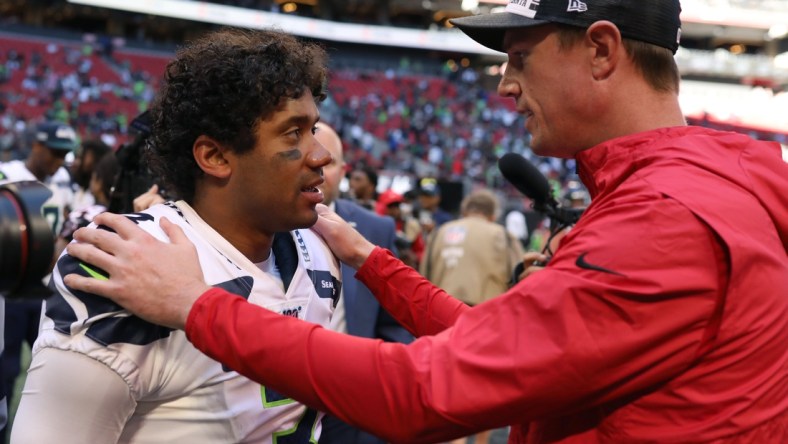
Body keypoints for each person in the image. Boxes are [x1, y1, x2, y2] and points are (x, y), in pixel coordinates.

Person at [61, 1, 788, 442]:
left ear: (600, 50)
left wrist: (196, 305)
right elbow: (497, 345)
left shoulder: (660, 221)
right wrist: (368, 258)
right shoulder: (718, 181)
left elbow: (420, 393)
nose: (504, 84)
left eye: (520, 58)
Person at [12, 28, 342, 443]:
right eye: (294, 133)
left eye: (314, 128)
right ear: (216, 156)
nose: (321, 154)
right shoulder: (125, 259)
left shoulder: (318, 249)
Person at [314, 121, 413, 444]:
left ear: (343, 171)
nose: (315, 167)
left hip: (351, 400)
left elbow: (393, 322)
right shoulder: (260, 225)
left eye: (326, 162)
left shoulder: (374, 228)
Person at [0, 120, 77, 441]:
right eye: (54, 153)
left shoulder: (63, 181)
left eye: (64, 155)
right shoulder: (7, 174)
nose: (58, 162)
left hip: (48, 288)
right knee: (6, 368)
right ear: (36, 146)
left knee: (53, 366)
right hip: (11, 288)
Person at [420, 189, 523, 308]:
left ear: (464, 212)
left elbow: (424, 275)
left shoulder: (439, 232)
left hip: (442, 312)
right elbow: (519, 279)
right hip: (484, 314)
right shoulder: (502, 235)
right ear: (493, 216)